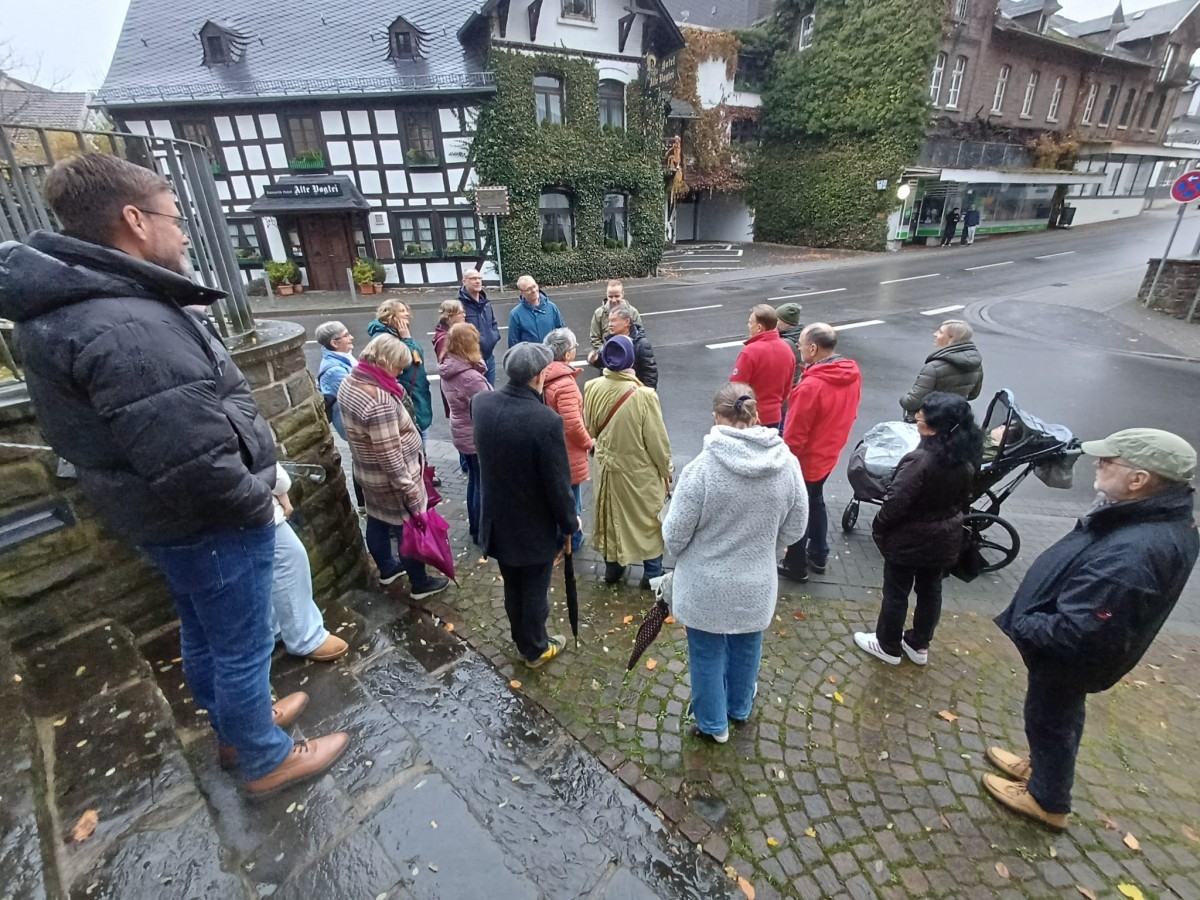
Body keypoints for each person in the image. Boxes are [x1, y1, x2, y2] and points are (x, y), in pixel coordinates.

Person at [0, 153, 347, 795]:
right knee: (240, 645)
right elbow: (192, 460)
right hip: (209, 520)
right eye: (175, 216)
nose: (186, 231)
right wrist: (258, 500)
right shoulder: (124, 322)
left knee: (204, 631)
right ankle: (266, 758)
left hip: (165, 519)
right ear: (134, 219)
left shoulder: (87, 303)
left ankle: (234, 727)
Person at [985, 429, 1198, 830]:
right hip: (1077, 654)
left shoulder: (1134, 553)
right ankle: (1044, 770)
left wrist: (1027, 622)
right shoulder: (1154, 516)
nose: (1098, 464)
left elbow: (1078, 630)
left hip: (1069, 656)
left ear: (1140, 480)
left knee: (1051, 718)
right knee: (1055, 716)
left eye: (1108, 460)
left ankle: (1047, 800)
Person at [663, 384, 809, 744]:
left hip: (704, 585)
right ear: (757, 415)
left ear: (716, 418)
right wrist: (767, 544)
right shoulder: (787, 464)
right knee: (747, 642)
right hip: (757, 581)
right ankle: (739, 707)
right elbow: (796, 528)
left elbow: (675, 535)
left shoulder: (701, 470)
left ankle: (713, 724)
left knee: (706, 650)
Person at [473, 343, 580, 668]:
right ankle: (534, 648)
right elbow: (558, 484)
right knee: (534, 589)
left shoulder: (482, 403)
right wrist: (570, 522)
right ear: (539, 376)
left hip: (496, 520)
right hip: (531, 526)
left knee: (513, 586)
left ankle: (522, 637)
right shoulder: (544, 420)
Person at [853, 393, 980, 666]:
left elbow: (895, 503)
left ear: (935, 425)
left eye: (923, 414)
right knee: (931, 591)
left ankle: (887, 644)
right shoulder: (965, 460)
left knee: (897, 592)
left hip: (910, 540)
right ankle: (919, 644)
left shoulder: (920, 461)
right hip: (945, 540)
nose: (917, 416)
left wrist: (880, 527)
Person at [337, 334, 451, 600]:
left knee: (377, 519)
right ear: (385, 361)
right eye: (399, 367)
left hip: (367, 472)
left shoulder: (351, 380)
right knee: (406, 531)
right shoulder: (379, 401)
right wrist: (408, 488)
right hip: (392, 480)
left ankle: (387, 569)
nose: (401, 372)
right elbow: (389, 453)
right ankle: (420, 584)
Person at [584, 335, 673, 588]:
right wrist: (665, 470)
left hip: (606, 469)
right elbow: (657, 441)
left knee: (610, 518)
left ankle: (613, 570)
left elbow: (590, 428)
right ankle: (652, 575)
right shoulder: (644, 395)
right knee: (647, 521)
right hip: (638, 471)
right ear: (631, 360)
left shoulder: (592, 387)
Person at [778, 323, 862, 583]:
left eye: (801, 344)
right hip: (829, 454)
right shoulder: (852, 373)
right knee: (816, 502)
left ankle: (796, 564)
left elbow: (794, 436)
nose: (799, 348)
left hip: (807, 461)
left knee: (799, 510)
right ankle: (819, 554)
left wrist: (783, 463)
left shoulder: (810, 387)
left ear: (813, 348)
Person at [268, 464, 349, 662]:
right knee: (289, 558)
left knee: (261, 567)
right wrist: (281, 487)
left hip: (228, 503)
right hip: (250, 501)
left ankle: (275, 627)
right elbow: (260, 455)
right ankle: (305, 638)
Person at [438, 323, 492, 545]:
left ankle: (474, 528)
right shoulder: (470, 377)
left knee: (474, 481)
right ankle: (482, 531)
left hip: (461, 431)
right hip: (475, 435)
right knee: (482, 485)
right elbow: (489, 406)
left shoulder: (448, 366)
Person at [542, 328, 592, 555]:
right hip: (568, 452)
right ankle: (573, 539)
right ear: (567, 354)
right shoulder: (566, 383)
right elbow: (572, 425)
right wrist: (588, 442)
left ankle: (558, 536)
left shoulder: (543, 374)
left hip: (550, 448)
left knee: (556, 495)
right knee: (572, 499)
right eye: (573, 348)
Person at [367, 299, 433, 443]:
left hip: (415, 391)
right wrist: (407, 339)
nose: (407, 314)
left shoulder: (397, 333)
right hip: (406, 393)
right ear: (390, 315)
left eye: (406, 310)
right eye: (402, 311)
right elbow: (405, 360)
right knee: (418, 441)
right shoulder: (384, 337)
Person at [315, 320, 365, 510]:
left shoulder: (342, 357)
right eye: (346, 335)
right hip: (351, 424)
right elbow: (357, 395)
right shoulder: (334, 370)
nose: (351, 337)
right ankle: (363, 503)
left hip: (353, 421)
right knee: (361, 460)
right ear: (334, 343)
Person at [898, 319, 983, 421]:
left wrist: (903, 399)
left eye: (941, 332)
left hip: (930, 421)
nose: (935, 334)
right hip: (955, 418)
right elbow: (973, 394)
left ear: (952, 338)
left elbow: (913, 402)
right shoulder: (976, 365)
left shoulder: (934, 367)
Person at [730, 304, 796, 430]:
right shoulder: (787, 350)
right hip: (775, 417)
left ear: (759, 327)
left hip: (750, 418)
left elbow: (736, 388)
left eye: (750, 323)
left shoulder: (750, 352)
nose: (748, 326)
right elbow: (787, 388)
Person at [592, 305, 658, 389]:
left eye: (613, 321)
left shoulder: (641, 344)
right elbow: (605, 365)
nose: (609, 324)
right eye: (609, 321)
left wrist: (646, 395)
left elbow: (650, 373)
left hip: (633, 395)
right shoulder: (610, 342)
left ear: (627, 322)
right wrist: (595, 360)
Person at [459, 268, 502, 385]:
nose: (478, 281)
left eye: (479, 278)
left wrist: (494, 336)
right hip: (472, 360)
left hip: (489, 358)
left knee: (490, 393)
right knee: (477, 396)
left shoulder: (486, 303)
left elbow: (493, 322)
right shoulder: (459, 305)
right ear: (464, 281)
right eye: (473, 279)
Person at [588, 280, 642, 361]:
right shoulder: (599, 314)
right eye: (610, 296)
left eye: (617, 296)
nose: (613, 300)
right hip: (608, 359)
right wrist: (605, 353)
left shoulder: (632, 312)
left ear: (622, 294)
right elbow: (594, 338)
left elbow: (639, 334)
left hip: (629, 358)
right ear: (606, 294)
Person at [509, 275, 565, 346]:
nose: (534, 290)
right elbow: (513, 343)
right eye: (528, 289)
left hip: (551, 355)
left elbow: (562, 333)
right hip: (530, 356)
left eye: (534, 286)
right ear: (521, 292)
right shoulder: (515, 314)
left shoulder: (552, 308)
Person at [776, 303, 805, 385]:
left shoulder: (785, 343)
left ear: (786, 323)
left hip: (791, 386)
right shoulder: (803, 335)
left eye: (777, 320)